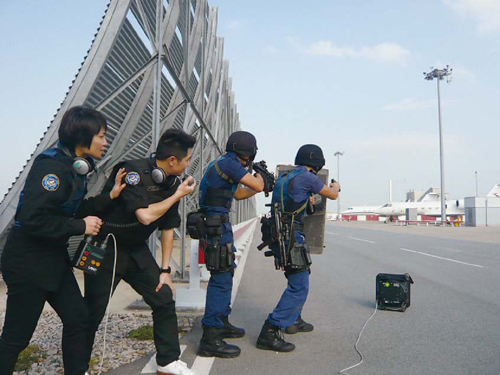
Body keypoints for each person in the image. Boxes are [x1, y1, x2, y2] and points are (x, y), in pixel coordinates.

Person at [0, 106, 126, 375]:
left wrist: (110, 197)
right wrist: (81, 226)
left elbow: (72, 209)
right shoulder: (53, 168)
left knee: (79, 320)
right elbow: (32, 218)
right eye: (101, 136)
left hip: (53, 261)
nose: (106, 142)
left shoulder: (76, 168)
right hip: (28, 263)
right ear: (82, 137)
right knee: (16, 339)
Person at [83, 129, 198, 375]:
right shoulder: (132, 172)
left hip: (136, 250)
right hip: (107, 247)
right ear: (171, 161)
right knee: (92, 311)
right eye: (187, 159)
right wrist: (177, 195)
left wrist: (166, 270)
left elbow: (168, 226)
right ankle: (77, 367)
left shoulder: (172, 183)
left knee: (163, 296)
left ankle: (167, 361)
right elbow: (145, 216)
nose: (189, 164)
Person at [256, 144, 340, 352]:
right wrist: (336, 186)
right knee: (299, 285)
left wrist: (307, 200)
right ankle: (270, 330)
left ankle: (293, 319)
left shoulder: (284, 178)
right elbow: (332, 195)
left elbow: (292, 203)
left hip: (280, 234)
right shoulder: (309, 177)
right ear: (317, 163)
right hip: (292, 236)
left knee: (298, 277)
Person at [197, 131, 264, 358]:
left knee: (225, 273)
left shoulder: (222, 164)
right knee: (221, 279)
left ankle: (221, 322)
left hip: (216, 226)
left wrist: (258, 182)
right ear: (248, 152)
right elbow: (256, 185)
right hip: (217, 227)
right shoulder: (231, 164)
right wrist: (262, 178)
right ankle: (210, 336)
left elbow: (239, 194)